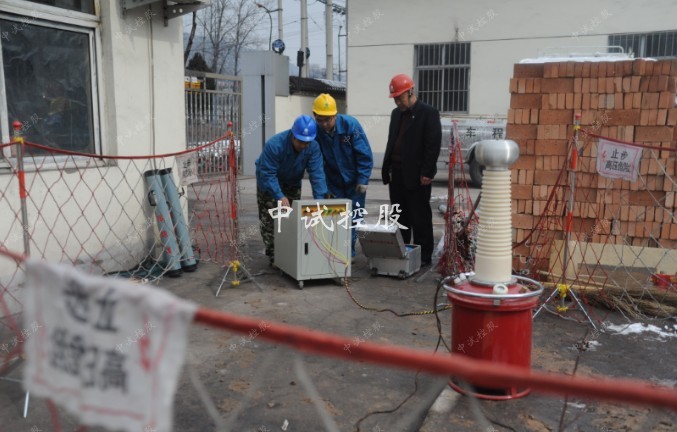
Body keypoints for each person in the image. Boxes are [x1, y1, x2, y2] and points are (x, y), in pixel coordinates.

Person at [381, 74, 441, 267]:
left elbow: (432, 145)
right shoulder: (396, 114)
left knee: (420, 217)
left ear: (410, 92)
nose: (398, 102)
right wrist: (387, 168)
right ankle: (402, 252)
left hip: (417, 176)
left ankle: (423, 256)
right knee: (400, 217)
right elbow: (392, 141)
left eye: (400, 97)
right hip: (396, 174)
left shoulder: (428, 113)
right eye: (395, 99)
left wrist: (427, 172)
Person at [255, 114, 328, 263]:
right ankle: (275, 256)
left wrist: (320, 201)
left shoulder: (313, 147)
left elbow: (317, 174)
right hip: (269, 182)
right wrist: (279, 196)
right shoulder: (275, 145)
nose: (304, 146)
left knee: (290, 218)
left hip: (292, 182)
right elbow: (267, 174)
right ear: (293, 135)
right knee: (271, 219)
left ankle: (290, 253)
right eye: (301, 142)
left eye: (307, 142)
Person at [312, 93, 374, 257]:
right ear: (314, 116)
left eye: (328, 120)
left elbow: (364, 154)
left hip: (354, 182)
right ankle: (336, 249)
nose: (324, 124)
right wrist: (324, 188)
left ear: (335, 115)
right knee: (335, 217)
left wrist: (363, 179)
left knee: (354, 216)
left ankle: (348, 251)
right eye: (320, 120)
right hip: (333, 182)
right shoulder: (316, 132)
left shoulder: (350, 126)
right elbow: (316, 163)